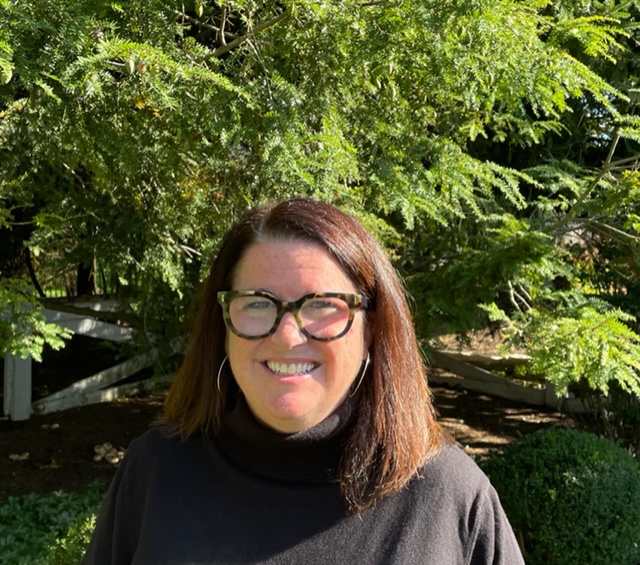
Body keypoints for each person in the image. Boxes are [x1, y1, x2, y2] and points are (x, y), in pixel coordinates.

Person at [82, 197, 525, 564]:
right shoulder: (156, 472)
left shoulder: (448, 495)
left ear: (371, 328)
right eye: (257, 303)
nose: (288, 335)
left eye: (322, 305)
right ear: (223, 323)